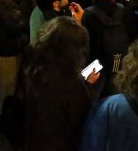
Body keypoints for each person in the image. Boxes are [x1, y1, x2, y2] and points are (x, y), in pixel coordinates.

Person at [21, 17, 99, 151]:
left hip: (32, 135)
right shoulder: (72, 83)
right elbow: (81, 119)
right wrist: (88, 84)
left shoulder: (33, 61)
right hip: (60, 142)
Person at [81, 0, 136, 98]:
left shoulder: (89, 14)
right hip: (123, 62)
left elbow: (86, 44)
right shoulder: (124, 10)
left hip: (98, 67)